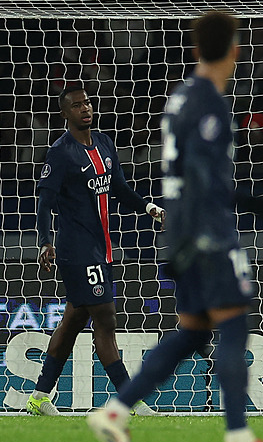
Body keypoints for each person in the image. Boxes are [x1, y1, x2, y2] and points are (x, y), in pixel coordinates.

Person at [86, 11, 263, 442]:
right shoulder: (209, 103)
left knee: (193, 330)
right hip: (207, 231)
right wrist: (252, 202)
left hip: (180, 228)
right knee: (233, 322)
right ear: (236, 51)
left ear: (196, 47)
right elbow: (204, 171)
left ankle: (116, 410)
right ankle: (238, 437)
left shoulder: (181, 97)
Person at [27, 85, 164, 417]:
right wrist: (44, 241)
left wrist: (147, 207)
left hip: (102, 248)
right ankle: (129, 400)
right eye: (76, 106)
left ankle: (39, 396)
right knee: (105, 318)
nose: (85, 109)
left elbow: (118, 187)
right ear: (65, 114)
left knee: (74, 320)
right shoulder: (61, 153)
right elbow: (44, 202)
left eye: (87, 103)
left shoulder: (104, 143)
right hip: (76, 249)